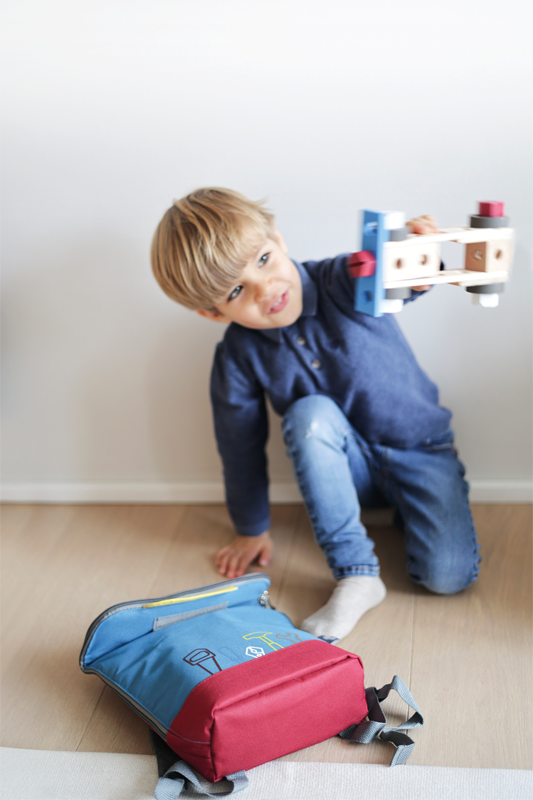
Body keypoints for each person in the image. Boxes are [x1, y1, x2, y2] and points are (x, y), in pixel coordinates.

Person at [151, 188, 480, 641]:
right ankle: (357, 574)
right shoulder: (237, 357)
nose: (265, 289)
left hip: (420, 449)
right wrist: (251, 528)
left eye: (263, 260)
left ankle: (411, 508)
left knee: (447, 577)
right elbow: (238, 444)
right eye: (236, 290)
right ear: (213, 312)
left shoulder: (344, 280)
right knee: (309, 414)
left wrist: (421, 258)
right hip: (350, 473)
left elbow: (396, 278)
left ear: (279, 241)